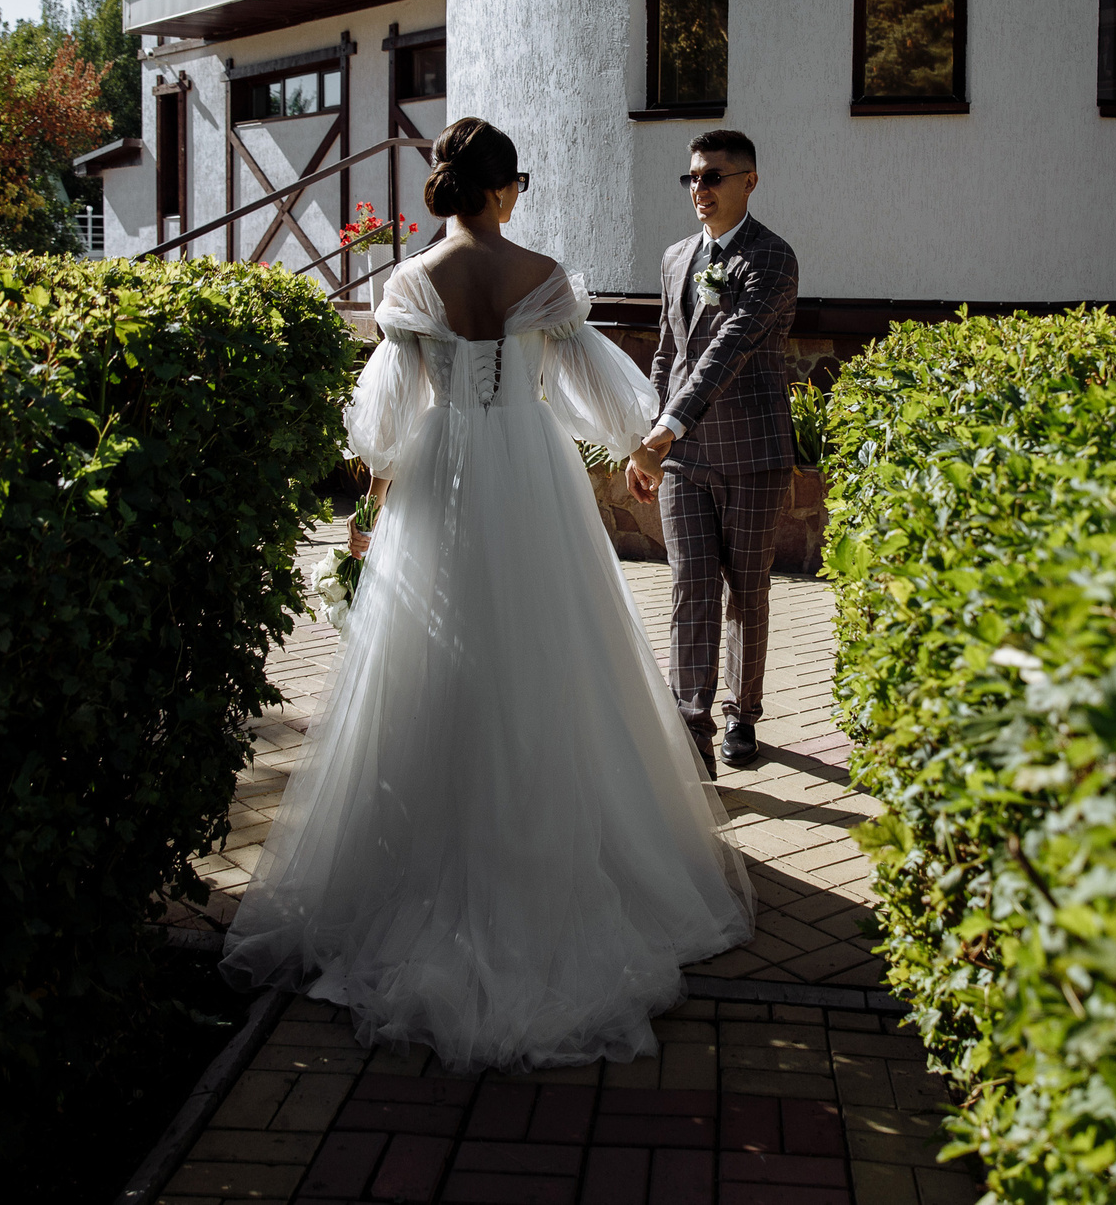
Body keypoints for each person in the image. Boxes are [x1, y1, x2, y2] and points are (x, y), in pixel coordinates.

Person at [221, 117, 753, 1072]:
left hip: (444, 482)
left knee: (432, 668)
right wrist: (643, 439)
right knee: (547, 664)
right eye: (518, 185)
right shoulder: (543, 275)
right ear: (503, 189)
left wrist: (371, 502)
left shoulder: (410, 283)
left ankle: (419, 872)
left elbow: (385, 418)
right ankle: (546, 866)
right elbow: (599, 383)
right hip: (530, 480)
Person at [624, 131, 800, 780]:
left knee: (746, 592)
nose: (700, 189)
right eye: (692, 178)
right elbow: (670, 354)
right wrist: (652, 434)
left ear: (749, 181)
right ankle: (690, 728)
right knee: (690, 585)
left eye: (714, 177)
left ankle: (741, 712)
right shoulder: (675, 258)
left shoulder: (773, 259)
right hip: (683, 459)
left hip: (753, 453)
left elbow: (729, 348)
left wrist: (662, 430)